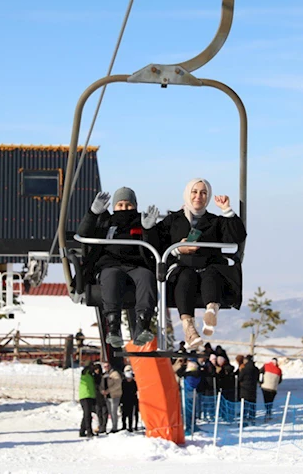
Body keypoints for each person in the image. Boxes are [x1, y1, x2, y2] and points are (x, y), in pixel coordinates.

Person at [149, 178, 247, 350]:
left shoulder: (215, 221)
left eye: (203, 193)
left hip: (209, 266)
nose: (198, 196)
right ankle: (189, 328)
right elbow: (156, 243)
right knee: (185, 276)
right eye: (195, 192)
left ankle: (211, 310)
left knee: (211, 274)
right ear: (188, 193)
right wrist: (178, 248)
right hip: (181, 266)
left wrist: (227, 211)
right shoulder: (174, 220)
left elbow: (236, 236)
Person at [78, 187, 159, 347]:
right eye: (120, 205)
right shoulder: (106, 222)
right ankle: (114, 326)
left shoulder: (140, 222)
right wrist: (93, 214)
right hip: (110, 264)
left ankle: (143, 324)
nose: (124, 209)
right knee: (111, 278)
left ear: (135, 206)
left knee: (146, 277)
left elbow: (154, 245)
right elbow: (83, 234)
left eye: (128, 205)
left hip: (136, 264)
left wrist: (149, 230)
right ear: (114, 206)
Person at [101, 362, 123, 432]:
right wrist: (102, 391)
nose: (106, 367)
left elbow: (118, 384)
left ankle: (115, 427)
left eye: (107, 366)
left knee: (114, 411)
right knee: (110, 412)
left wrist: (108, 390)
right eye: (105, 366)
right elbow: (102, 384)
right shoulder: (104, 375)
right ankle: (113, 425)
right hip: (107, 396)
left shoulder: (115, 374)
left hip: (115, 395)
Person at [238, 355, 259, 426]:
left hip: (245, 389)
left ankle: (244, 419)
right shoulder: (256, 369)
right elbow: (257, 379)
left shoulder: (244, 369)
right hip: (253, 389)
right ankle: (252, 418)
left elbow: (239, 378)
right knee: (252, 404)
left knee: (245, 405)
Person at [78, 363, 96, 438]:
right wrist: (89, 367)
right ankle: (89, 431)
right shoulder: (85, 374)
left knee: (86, 414)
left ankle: (82, 431)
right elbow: (84, 371)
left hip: (90, 396)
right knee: (87, 415)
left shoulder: (91, 376)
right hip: (85, 396)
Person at [120, 366, 139, 432]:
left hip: (132, 399)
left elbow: (136, 390)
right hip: (125, 399)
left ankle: (131, 426)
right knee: (124, 414)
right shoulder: (123, 382)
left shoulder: (134, 382)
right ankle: (124, 426)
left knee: (132, 414)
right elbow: (122, 391)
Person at [92, 362, 108, 434]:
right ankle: (100, 426)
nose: (97, 370)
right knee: (98, 413)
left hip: (104, 396)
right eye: (96, 369)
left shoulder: (103, 376)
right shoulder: (93, 377)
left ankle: (103, 427)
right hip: (96, 397)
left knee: (104, 412)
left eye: (98, 369)